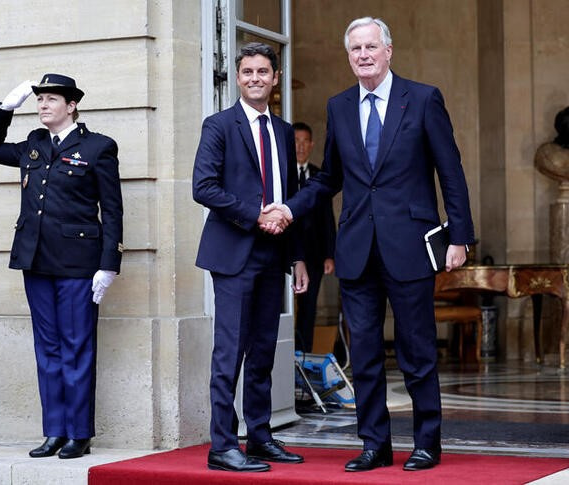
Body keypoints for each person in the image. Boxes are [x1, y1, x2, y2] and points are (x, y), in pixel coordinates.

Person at [263, 17, 474, 472]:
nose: (363, 54)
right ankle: (374, 444)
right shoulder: (339, 106)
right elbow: (330, 178)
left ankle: (426, 443)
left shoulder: (421, 99)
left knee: (417, 349)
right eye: (355, 48)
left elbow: (450, 171)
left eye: (370, 46)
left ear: (388, 50)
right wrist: (290, 208)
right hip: (356, 248)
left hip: (410, 245)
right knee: (364, 354)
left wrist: (460, 234)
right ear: (349, 56)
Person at [0, 73, 123, 459]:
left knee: (77, 348)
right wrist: (4, 108)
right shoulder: (33, 144)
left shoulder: (97, 147)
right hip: (37, 261)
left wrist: (108, 264)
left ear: (71, 105)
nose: (43, 104)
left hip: (79, 264)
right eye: (40, 99)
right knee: (48, 349)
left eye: (51, 99)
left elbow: (111, 210)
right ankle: (54, 431)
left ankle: (79, 433)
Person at [192, 42, 309, 473]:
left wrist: (297, 256)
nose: (256, 78)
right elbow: (202, 187)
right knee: (230, 354)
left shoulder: (282, 130)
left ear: (275, 78)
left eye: (263, 71)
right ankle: (222, 445)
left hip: (274, 253)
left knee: (263, 352)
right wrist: (254, 216)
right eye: (247, 72)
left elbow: (291, 198)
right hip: (234, 252)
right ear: (238, 78)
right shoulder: (218, 125)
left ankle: (260, 437)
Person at [292, 122, 336, 353]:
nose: (300, 147)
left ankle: (304, 357)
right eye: (295, 141)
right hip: (286, 251)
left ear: (311, 145)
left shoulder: (319, 175)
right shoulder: (282, 172)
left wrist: (330, 254)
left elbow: (327, 217)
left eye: (304, 142)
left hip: (314, 253)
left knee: (309, 308)